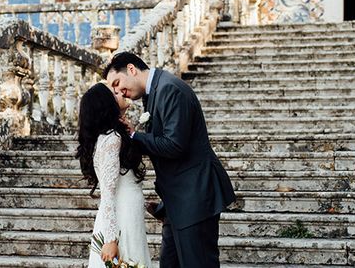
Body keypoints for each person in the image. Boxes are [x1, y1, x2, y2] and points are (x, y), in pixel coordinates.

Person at [105, 52, 235, 268]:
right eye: (115, 90)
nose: (119, 92)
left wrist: (134, 137)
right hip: (177, 203)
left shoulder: (170, 89)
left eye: (118, 83)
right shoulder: (157, 91)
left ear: (131, 69)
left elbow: (175, 145)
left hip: (195, 197)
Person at [76, 82, 153, 268]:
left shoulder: (115, 135)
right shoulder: (111, 139)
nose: (120, 92)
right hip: (120, 218)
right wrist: (111, 239)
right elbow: (108, 193)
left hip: (129, 213)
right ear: (106, 104)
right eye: (114, 93)